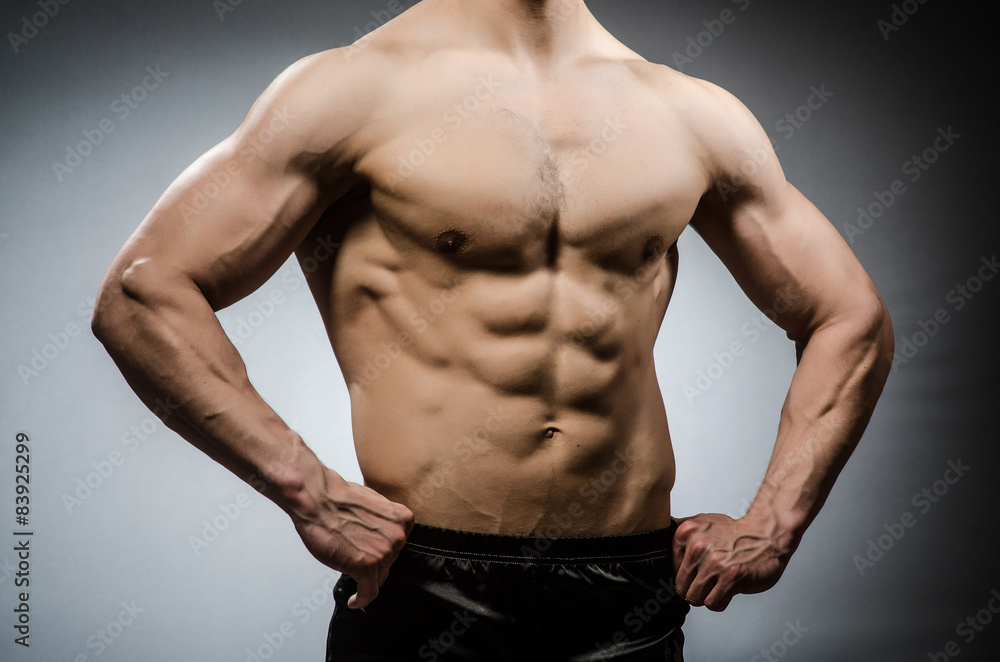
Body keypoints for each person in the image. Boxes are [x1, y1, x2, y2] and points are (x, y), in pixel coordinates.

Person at [91, 0, 894, 659]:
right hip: (426, 580)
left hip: (628, 584)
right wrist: (305, 488)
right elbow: (142, 294)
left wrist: (774, 523)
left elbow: (849, 317)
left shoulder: (689, 111)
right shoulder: (351, 91)